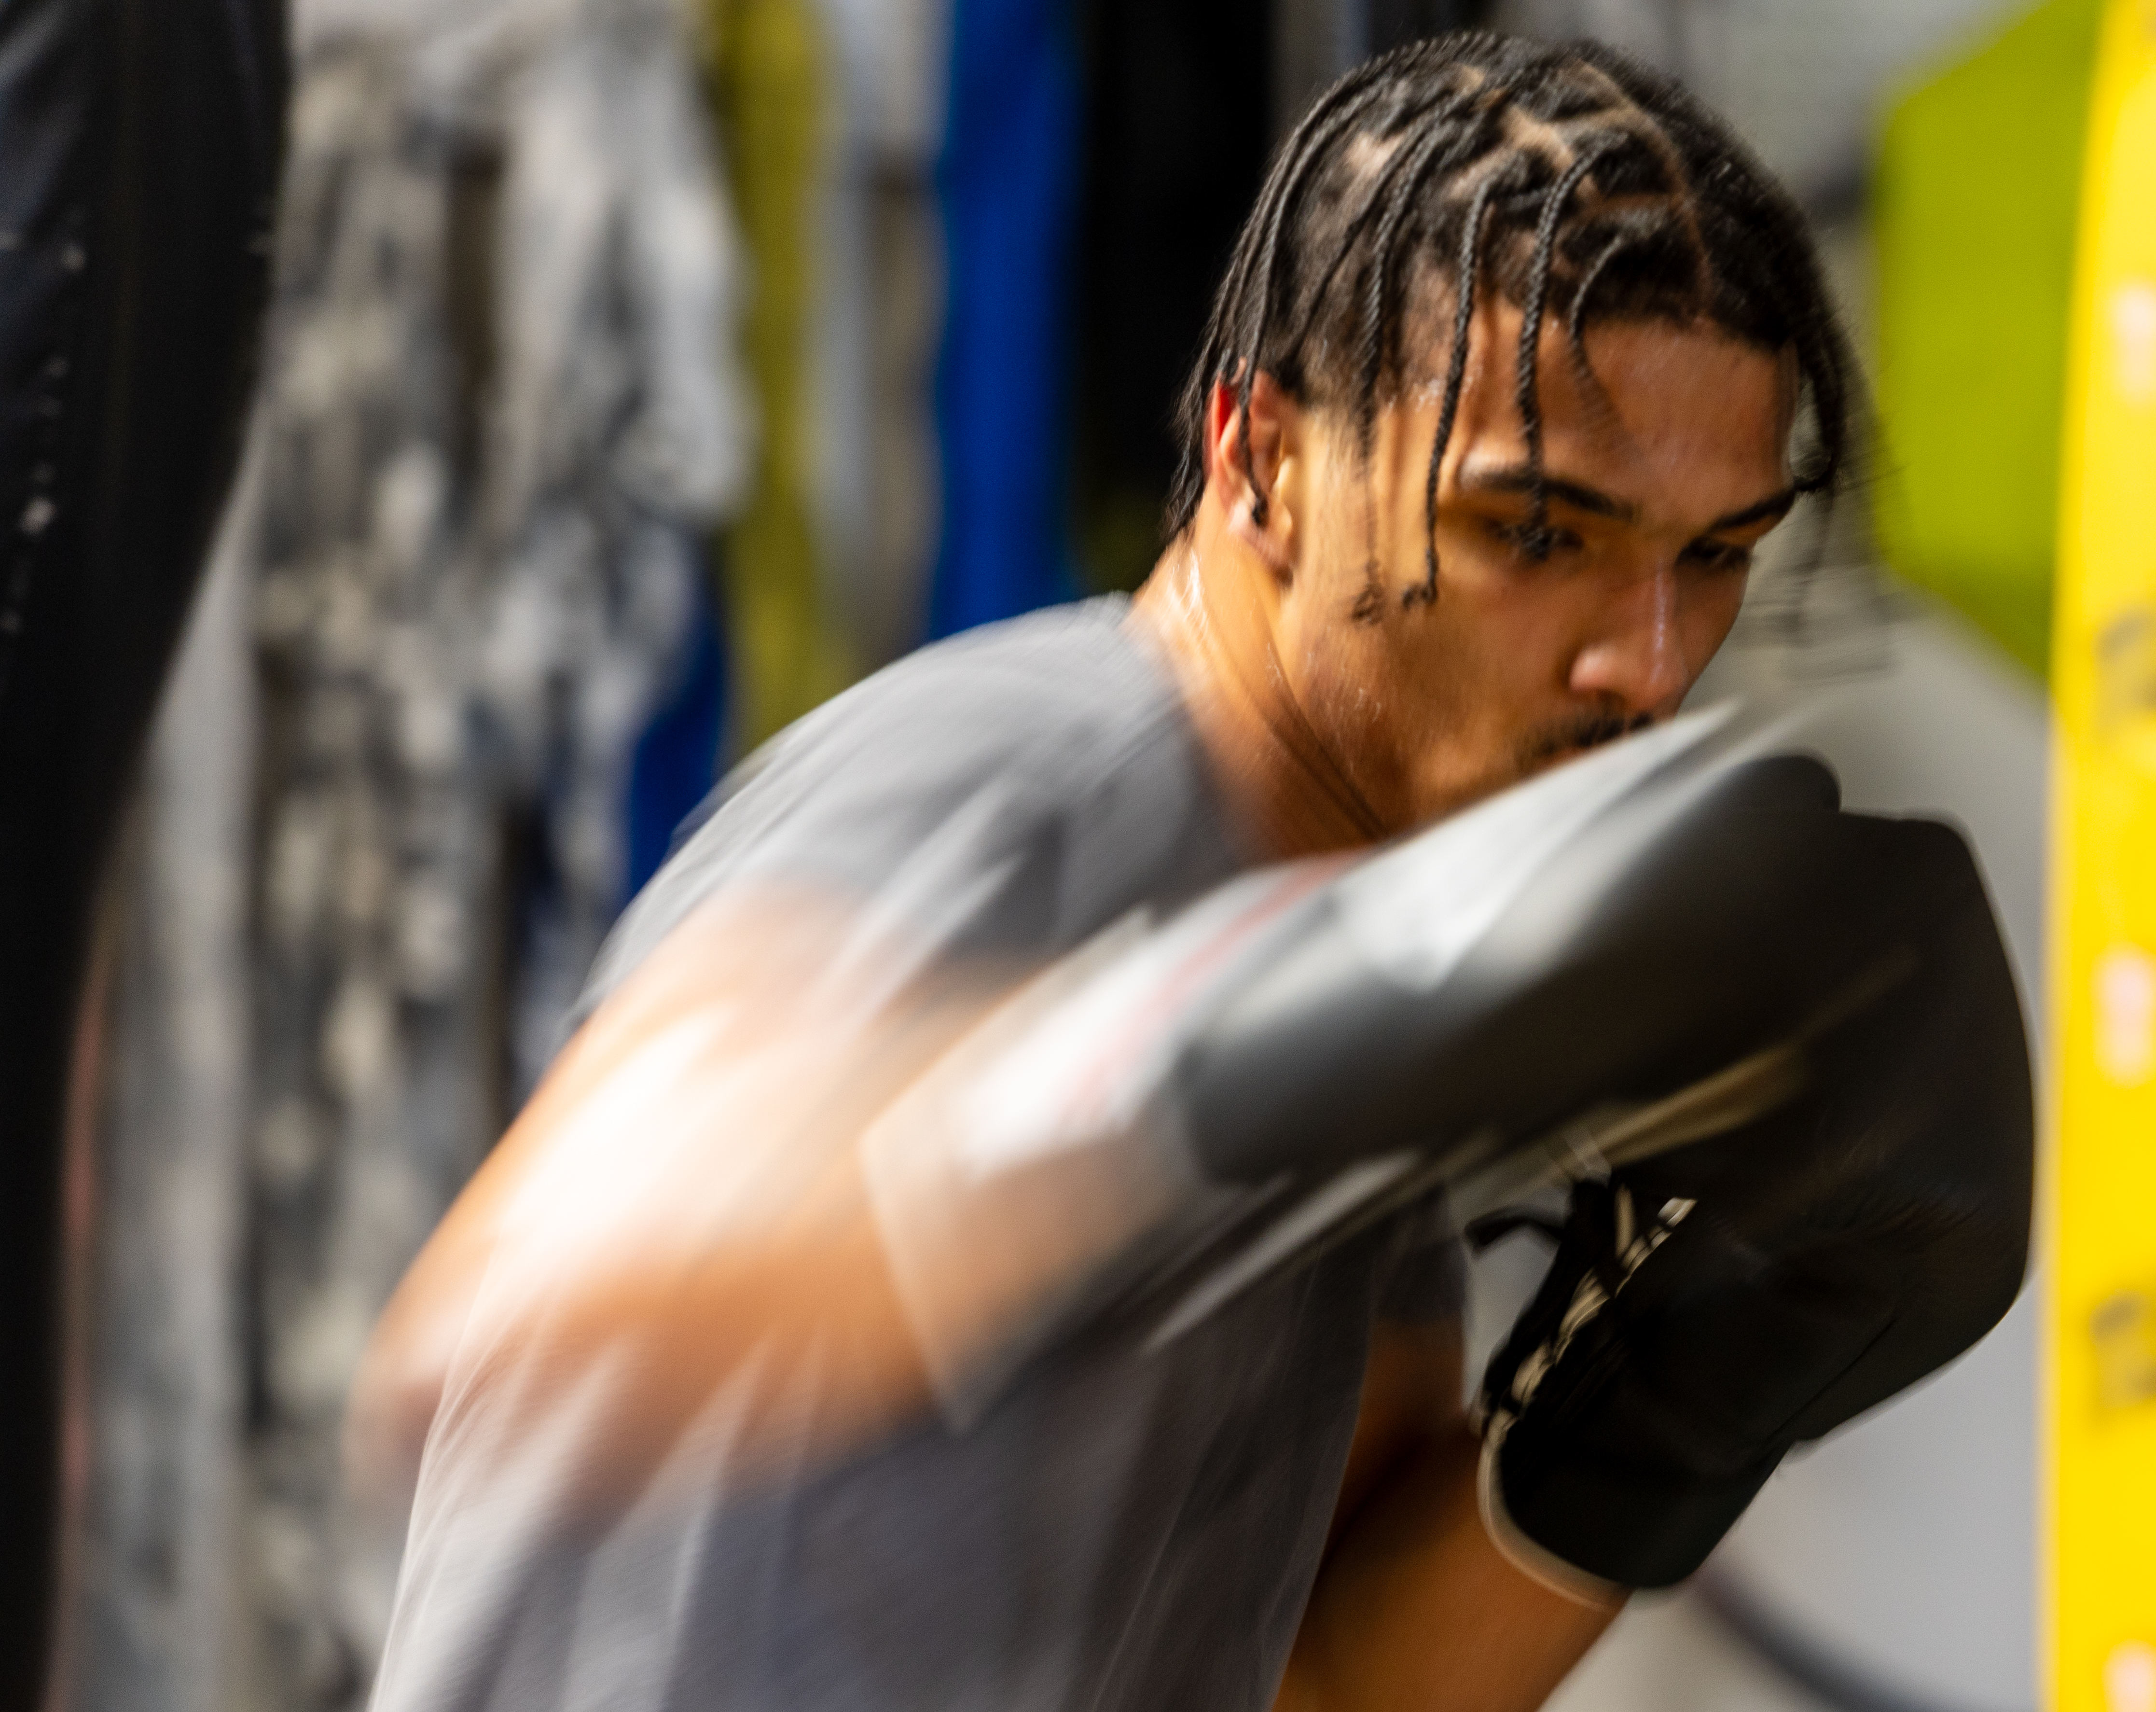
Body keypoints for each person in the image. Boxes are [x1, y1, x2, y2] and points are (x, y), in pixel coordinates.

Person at [352, 31, 1882, 1711]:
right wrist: (1254, 1047)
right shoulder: (1018, 778)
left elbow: (1319, 1680)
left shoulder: (1367, 952)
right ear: (1261, 460)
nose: (1648, 667)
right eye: (1538, 530)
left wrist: (1678, 1380)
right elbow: (552, 1292)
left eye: (1715, 558)